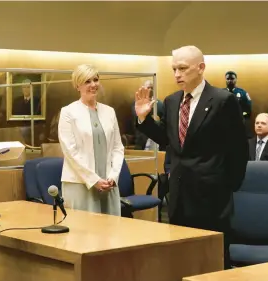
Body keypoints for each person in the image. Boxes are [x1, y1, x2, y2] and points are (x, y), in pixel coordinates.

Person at [134, 46, 248, 269]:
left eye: (183, 68)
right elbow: (170, 141)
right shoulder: (171, 101)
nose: (177, 74)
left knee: (212, 261)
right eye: (174, 69)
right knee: (181, 259)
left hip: (212, 197)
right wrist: (144, 120)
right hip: (178, 195)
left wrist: (227, 185)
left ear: (201, 68)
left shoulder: (223, 100)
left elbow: (238, 149)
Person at [58, 64, 124, 216]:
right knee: (84, 235)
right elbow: (70, 152)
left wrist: (113, 176)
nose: (93, 85)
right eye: (87, 81)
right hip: (80, 183)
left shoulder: (109, 111)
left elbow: (117, 147)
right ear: (77, 85)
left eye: (96, 80)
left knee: (111, 233)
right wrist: (94, 180)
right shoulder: (68, 112)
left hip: (109, 184)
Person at [131, 80, 166, 151]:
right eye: (148, 87)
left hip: (157, 143)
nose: (150, 90)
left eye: (152, 88)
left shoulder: (160, 104)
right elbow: (137, 121)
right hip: (141, 142)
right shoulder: (137, 104)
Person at [225, 71, 253, 137]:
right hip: (225, 124)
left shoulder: (243, 93)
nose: (230, 81)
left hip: (240, 123)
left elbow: (248, 110)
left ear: (236, 79)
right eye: (228, 79)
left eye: (232, 79)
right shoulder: (221, 93)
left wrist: (240, 116)